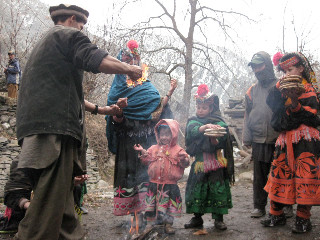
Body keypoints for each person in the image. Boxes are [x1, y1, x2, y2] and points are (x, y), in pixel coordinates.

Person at [14, 3, 142, 240]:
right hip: (54, 131)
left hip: (36, 129)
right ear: (73, 19)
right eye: (82, 26)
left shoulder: (46, 45)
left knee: (61, 203)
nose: (82, 30)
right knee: (47, 204)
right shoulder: (66, 34)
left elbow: (73, 96)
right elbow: (95, 58)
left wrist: (104, 110)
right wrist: (129, 68)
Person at [106, 40, 177, 225]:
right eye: (127, 59)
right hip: (128, 145)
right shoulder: (117, 89)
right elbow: (113, 117)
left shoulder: (148, 87)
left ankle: (152, 215)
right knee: (130, 178)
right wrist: (118, 112)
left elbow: (157, 112)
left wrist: (167, 96)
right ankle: (135, 218)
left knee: (148, 178)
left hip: (147, 142)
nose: (132, 63)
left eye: (135, 59)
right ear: (121, 63)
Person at [261, 52, 320, 233]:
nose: (286, 74)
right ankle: (275, 213)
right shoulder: (279, 89)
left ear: (301, 69)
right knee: (279, 174)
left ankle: (303, 219)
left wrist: (295, 102)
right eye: (284, 71)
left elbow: (313, 117)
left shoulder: (310, 90)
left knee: (305, 176)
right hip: (285, 140)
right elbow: (277, 116)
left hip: (306, 142)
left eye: (290, 69)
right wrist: (281, 93)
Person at [184, 84, 234, 230]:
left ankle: (219, 219)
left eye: (204, 108)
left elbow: (223, 135)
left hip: (216, 163)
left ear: (211, 109)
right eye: (198, 107)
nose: (200, 111)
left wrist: (215, 138)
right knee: (197, 189)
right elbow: (192, 131)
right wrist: (205, 128)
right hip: (200, 163)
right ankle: (197, 218)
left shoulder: (218, 121)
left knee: (217, 189)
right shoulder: (193, 121)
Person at [133, 119, 189, 234]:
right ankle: (150, 224)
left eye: (167, 135)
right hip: (154, 184)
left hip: (170, 185)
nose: (164, 137)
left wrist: (185, 159)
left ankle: (168, 224)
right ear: (158, 135)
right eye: (162, 134)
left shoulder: (178, 150)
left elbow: (185, 163)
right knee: (151, 206)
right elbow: (146, 159)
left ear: (173, 135)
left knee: (169, 206)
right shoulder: (153, 148)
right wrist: (143, 152)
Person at [243, 51, 281, 218]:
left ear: (268, 65)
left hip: (278, 138)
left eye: (260, 65)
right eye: (255, 67)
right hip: (258, 138)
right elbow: (247, 114)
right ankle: (259, 206)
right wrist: (247, 136)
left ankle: (283, 206)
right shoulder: (252, 90)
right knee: (259, 176)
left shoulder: (280, 86)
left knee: (279, 174)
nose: (257, 70)